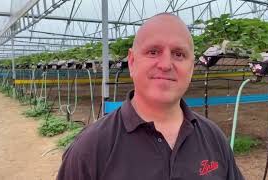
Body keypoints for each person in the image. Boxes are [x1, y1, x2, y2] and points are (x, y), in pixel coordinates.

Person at [57, 13, 244, 180]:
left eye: (179, 54)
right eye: (153, 52)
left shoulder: (213, 138)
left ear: (192, 67)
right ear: (131, 62)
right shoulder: (90, 148)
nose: (165, 64)